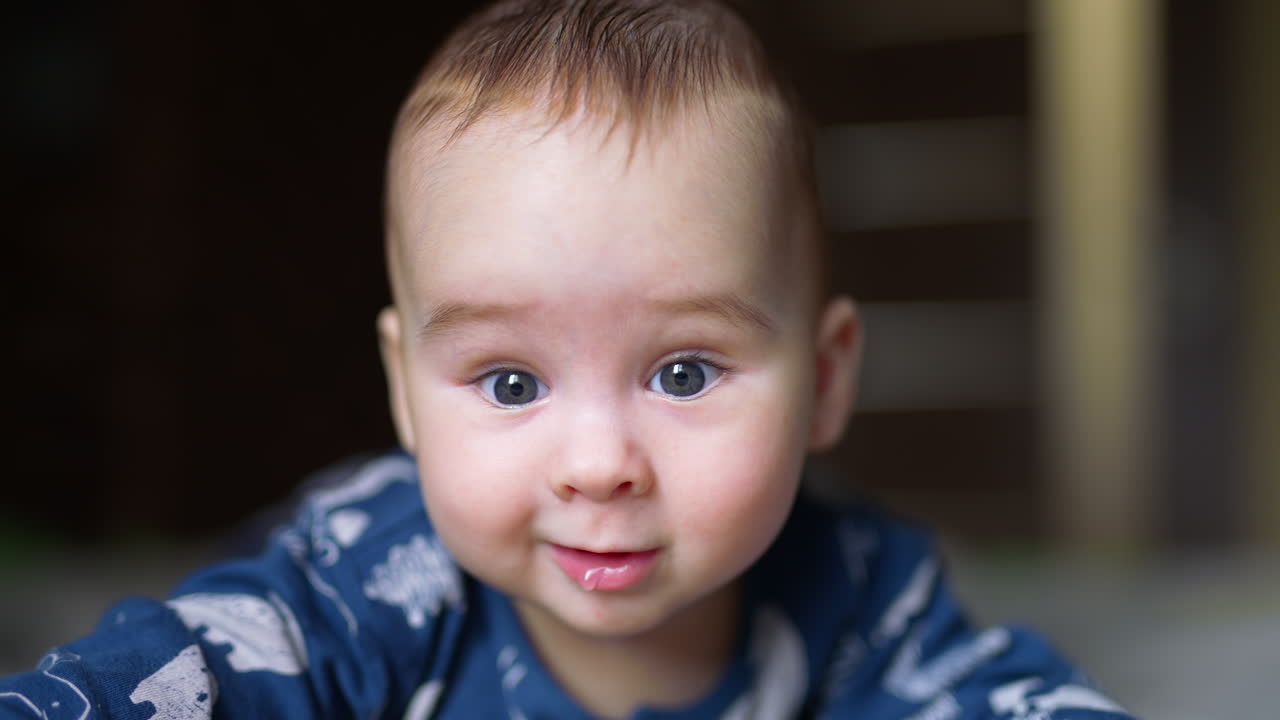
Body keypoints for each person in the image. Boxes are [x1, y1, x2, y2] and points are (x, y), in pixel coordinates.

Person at [0, 1, 1137, 718]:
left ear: (827, 379)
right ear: (404, 391)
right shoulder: (361, 584)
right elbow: (167, 678)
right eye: (510, 384)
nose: (598, 466)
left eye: (683, 373)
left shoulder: (863, 591)